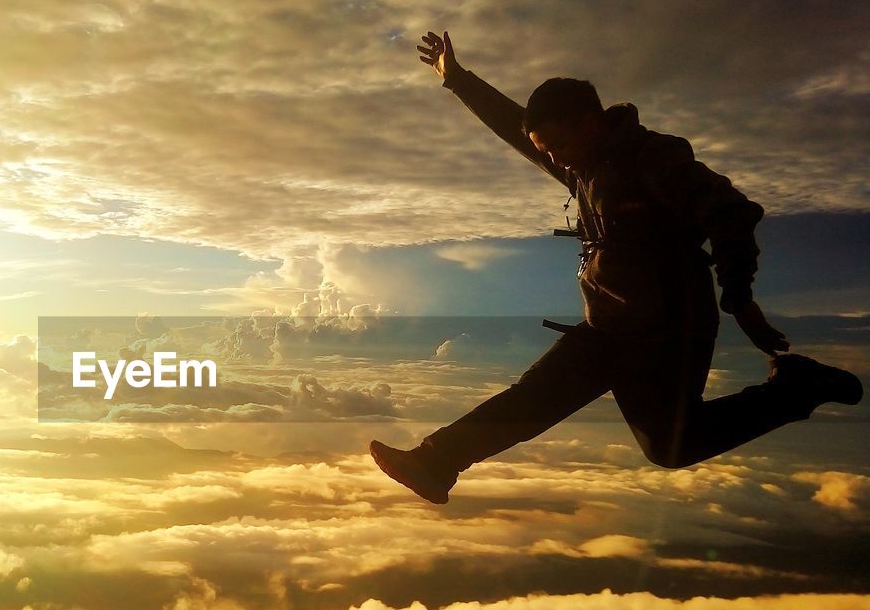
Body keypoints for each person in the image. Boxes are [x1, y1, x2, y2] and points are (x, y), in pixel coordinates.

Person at [369, 30, 863, 505]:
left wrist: (740, 299)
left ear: (589, 123)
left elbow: (729, 211)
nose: (553, 159)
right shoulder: (582, 164)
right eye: (546, 151)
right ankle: (435, 464)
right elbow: (512, 124)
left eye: (556, 145)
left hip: (669, 330)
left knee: (666, 445)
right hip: (608, 327)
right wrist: (455, 77)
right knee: (539, 402)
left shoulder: (653, 158)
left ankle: (796, 388)